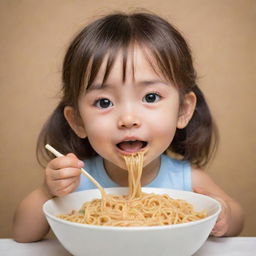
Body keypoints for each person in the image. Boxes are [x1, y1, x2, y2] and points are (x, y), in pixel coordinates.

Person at [12, 11, 244, 242]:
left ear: (183, 110)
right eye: (104, 102)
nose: (128, 119)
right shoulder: (78, 181)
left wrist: (224, 215)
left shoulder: (188, 179)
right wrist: (46, 191)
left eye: (151, 97)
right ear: (78, 121)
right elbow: (22, 235)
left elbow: (237, 221)